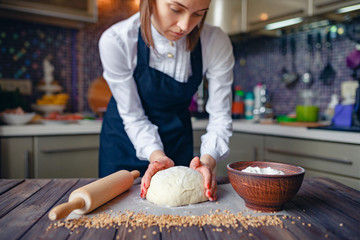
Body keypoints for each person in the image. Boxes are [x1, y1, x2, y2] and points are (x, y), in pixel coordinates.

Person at [98, 0, 234, 201]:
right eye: (176, 9)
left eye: (199, 14)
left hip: (177, 138)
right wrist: (157, 157)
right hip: (123, 141)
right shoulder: (117, 40)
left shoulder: (215, 41)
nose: (185, 26)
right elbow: (133, 116)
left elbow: (221, 117)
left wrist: (207, 161)